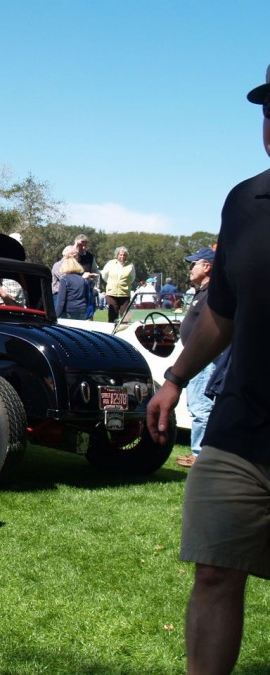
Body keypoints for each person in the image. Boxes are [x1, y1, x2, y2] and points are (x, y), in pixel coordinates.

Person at [147, 64, 270, 675]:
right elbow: (221, 311)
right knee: (216, 568)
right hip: (242, 428)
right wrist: (173, 379)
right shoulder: (246, 202)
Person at [173, 248, 224, 470]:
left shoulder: (213, 292)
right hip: (197, 357)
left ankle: (201, 455)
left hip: (204, 358)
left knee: (201, 407)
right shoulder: (201, 292)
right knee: (198, 406)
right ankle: (200, 453)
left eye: (193, 264)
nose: (189, 268)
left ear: (207, 267)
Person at [101, 246, 135, 322]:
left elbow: (132, 278)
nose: (122, 256)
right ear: (117, 255)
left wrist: (123, 284)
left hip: (124, 293)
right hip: (111, 293)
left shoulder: (130, 265)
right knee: (113, 314)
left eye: (124, 255)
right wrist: (111, 283)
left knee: (125, 315)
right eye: (121, 254)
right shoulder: (110, 263)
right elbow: (104, 275)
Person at [55, 255, 93, 319]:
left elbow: (61, 300)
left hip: (69, 311)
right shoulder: (83, 280)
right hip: (82, 310)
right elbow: (86, 297)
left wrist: (56, 316)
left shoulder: (64, 279)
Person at [51, 245, 76, 309]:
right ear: (67, 255)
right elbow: (65, 279)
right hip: (58, 295)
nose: (76, 257)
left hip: (69, 295)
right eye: (74, 255)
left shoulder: (73, 266)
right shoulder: (58, 265)